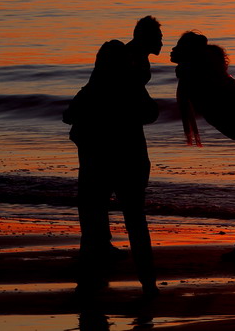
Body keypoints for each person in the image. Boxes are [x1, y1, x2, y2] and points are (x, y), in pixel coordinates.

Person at [63, 16, 162, 295]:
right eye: (157, 36)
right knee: (124, 212)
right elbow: (145, 108)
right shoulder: (125, 64)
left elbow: (79, 105)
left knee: (95, 202)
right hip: (118, 147)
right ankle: (142, 280)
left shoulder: (127, 67)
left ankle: (96, 259)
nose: (162, 42)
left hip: (102, 143)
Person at [171, 31, 235, 265]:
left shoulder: (196, 72)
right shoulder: (192, 72)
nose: (172, 50)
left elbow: (232, 92)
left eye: (178, 46)